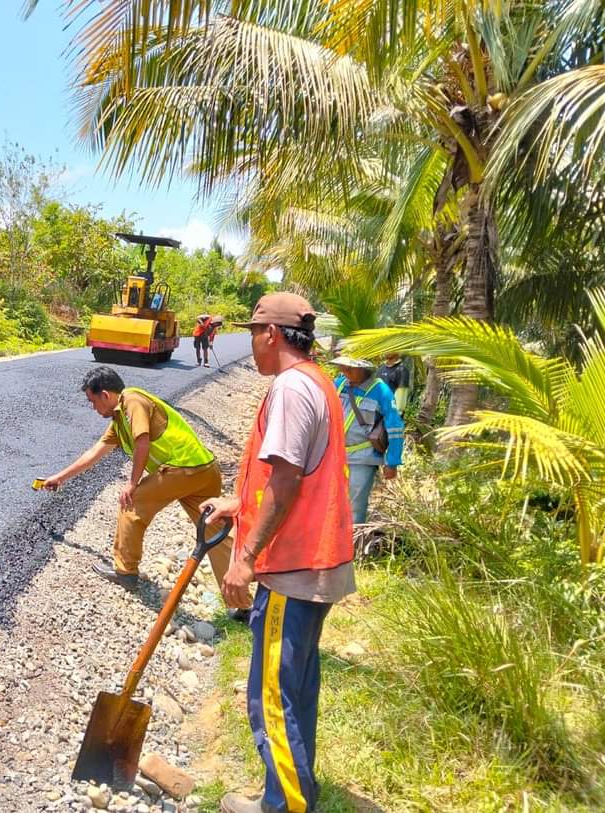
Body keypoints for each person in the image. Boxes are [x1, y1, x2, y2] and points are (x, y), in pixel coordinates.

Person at [200, 292, 354, 813]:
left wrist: (244, 560)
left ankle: (284, 806)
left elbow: (287, 481)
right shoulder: (318, 382)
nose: (251, 345)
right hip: (318, 561)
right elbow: (291, 476)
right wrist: (238, 502)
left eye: (251, 334)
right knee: (297, 689)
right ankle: (295, 792)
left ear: (271, 334)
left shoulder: (289, 388)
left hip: (292, 568)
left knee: (271, 698)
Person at [42, 366, 234, 589]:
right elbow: (94, 453)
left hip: (182, 466)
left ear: (105, 394)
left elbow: (142, 440)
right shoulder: (119, 422)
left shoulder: (131, 400)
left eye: (92, 401)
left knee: (131, 504)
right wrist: (60, 477)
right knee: (212, 529)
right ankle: (239, 599)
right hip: (205, 469)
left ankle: (125, 571)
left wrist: (132, 484)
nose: (93, 407)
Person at [331, 355, 404, 524]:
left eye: (351, 367)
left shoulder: (381, 391)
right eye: (343, 366)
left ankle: (352, 546)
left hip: (363, 457)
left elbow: (395, 427)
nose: (345, 370)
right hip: (334, 455)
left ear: (365, 368)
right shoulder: (338, 384)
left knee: (355, 508)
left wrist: (392, 462)